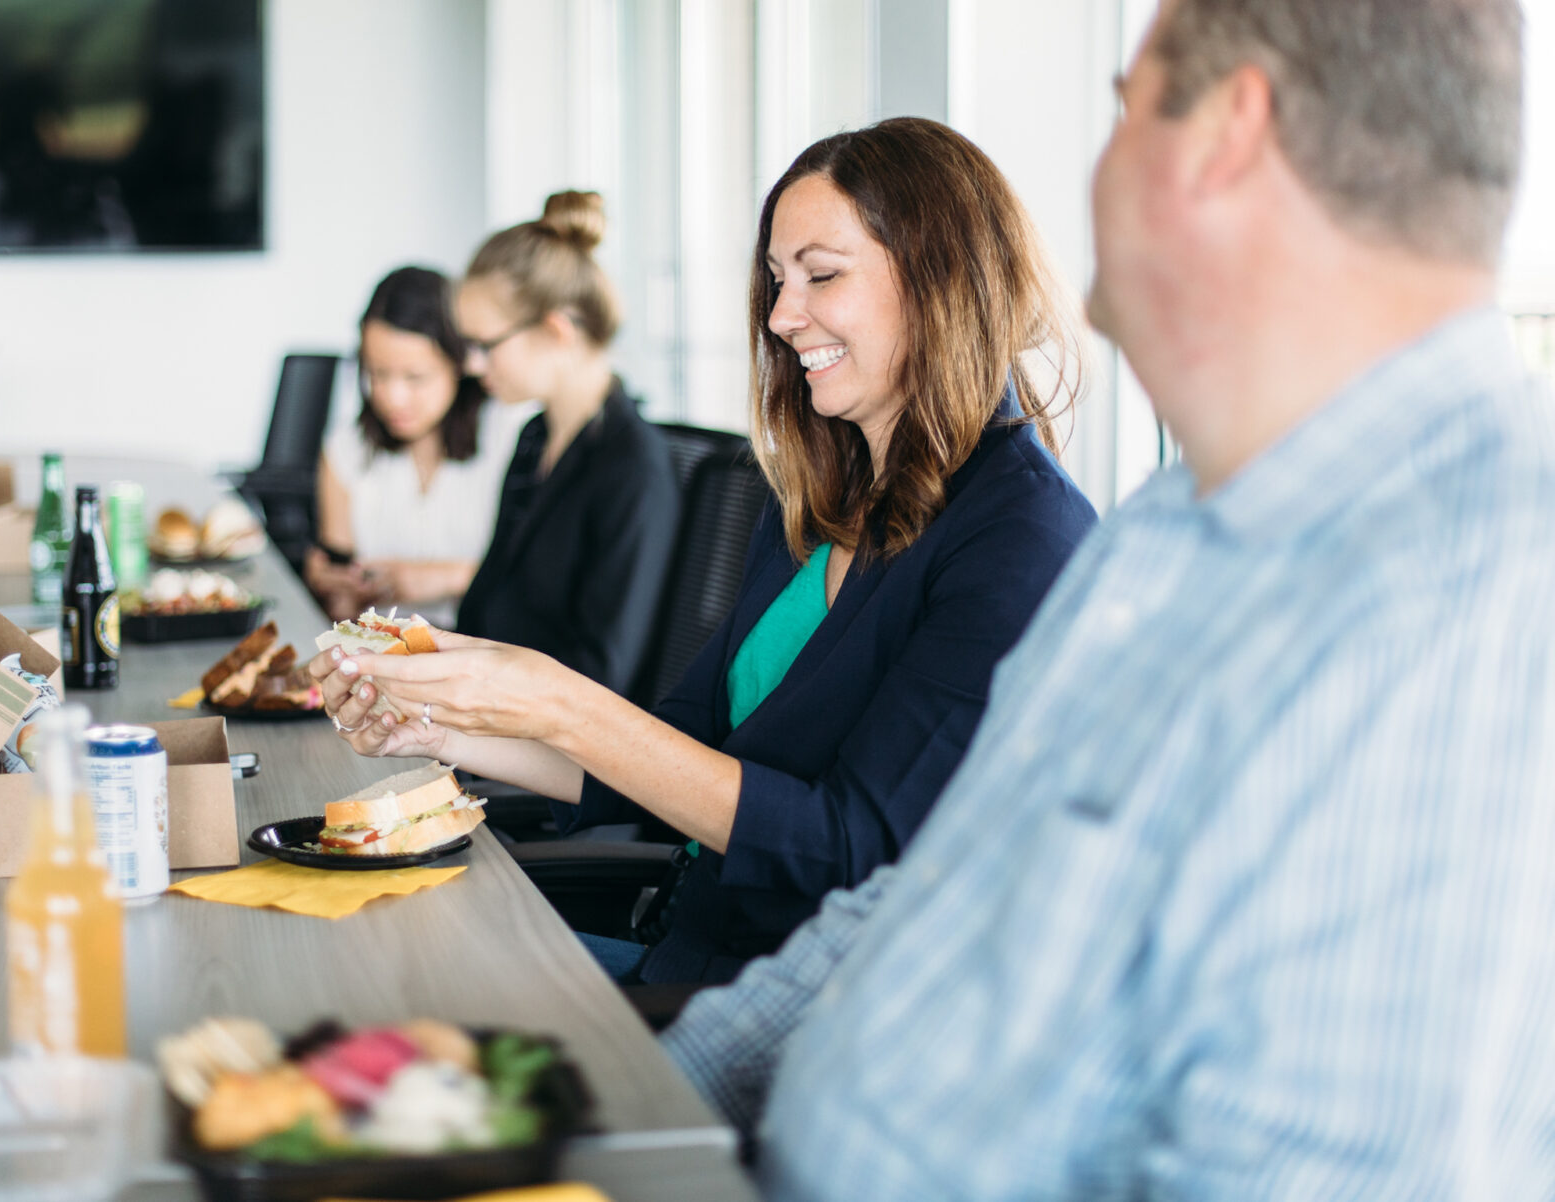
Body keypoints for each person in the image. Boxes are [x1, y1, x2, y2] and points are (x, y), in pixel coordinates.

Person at [643, 0, 1551, 1197]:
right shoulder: (1172, 532)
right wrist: (650, 1105)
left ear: (1228, 135)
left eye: (1124, 114)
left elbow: (1301, 1169)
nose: (1088, 177)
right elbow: (922, 900)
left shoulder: (1465, 591)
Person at [312, 121, 1097, 986]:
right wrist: (446, 724)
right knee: (355, 961)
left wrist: (559, 701)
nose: (781, 316)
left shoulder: (1022, 539)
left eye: (821, 275)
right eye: (774, 280)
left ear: (943, 280)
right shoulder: (819, 497)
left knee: (380, 986)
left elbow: (852, 845)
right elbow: (681, 744)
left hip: (782, 1015)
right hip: (687, 951)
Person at [445, 190, 679, 694]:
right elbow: (485, 606)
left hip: (554, 746)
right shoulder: (536, 437)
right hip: (490, 715)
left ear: (555, 330)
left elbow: (603, 672)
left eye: (485, 345)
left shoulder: (633, 467)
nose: (472, 365)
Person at [305, 266, 525, 628]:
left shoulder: (510, 435)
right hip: (383, 655)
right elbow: (342, 608)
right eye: (377, 374)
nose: (392, 398)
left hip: (486, 649)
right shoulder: (347, 449)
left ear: (460, 363)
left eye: (415, 377)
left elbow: (539, 583)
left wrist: (447, 577)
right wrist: (333, 590)